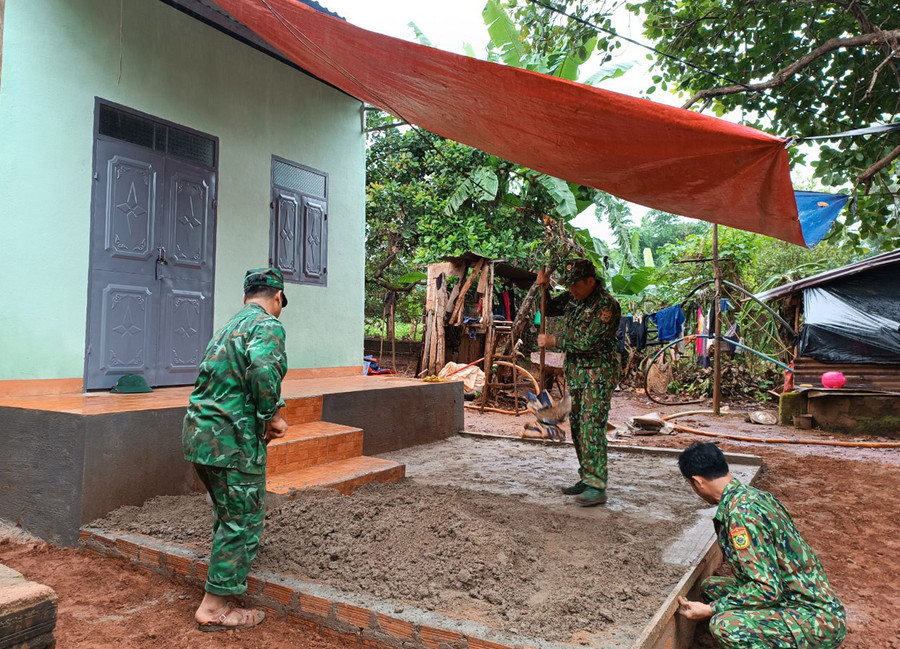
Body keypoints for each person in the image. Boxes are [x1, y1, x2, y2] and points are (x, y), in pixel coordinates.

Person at [182, 267, 290, 631]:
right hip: (233, 441)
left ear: (246, 296)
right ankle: (213, 608)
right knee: (242, 520)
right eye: (281, 304)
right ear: (277, 298)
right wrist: (272, 415)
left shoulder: (227, 328)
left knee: (227, 512)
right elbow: (262, 370)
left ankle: (221, 584)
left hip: (200, 435)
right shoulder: (267, 325)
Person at [677, 442, 846, 649]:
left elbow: (767, 589)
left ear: (697, 482)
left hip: (814, 620)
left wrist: (712, 609)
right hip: (793, 597)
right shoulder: (754, 496)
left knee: (725, 626)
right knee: (711, 587)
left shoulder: (741, 516)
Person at [536, 259, 620, 506]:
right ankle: (587, 477)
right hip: (577, 376)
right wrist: (544, 288)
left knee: (592, 427)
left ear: (590, 282)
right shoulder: (574, 298)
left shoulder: (607, 306)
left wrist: (554, 341)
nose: (570, 290)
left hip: (597, 376)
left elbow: (587, 342)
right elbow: (549, 309)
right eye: (568, 285)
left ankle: (597, 485)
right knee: (578, 428)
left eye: (575, 285)